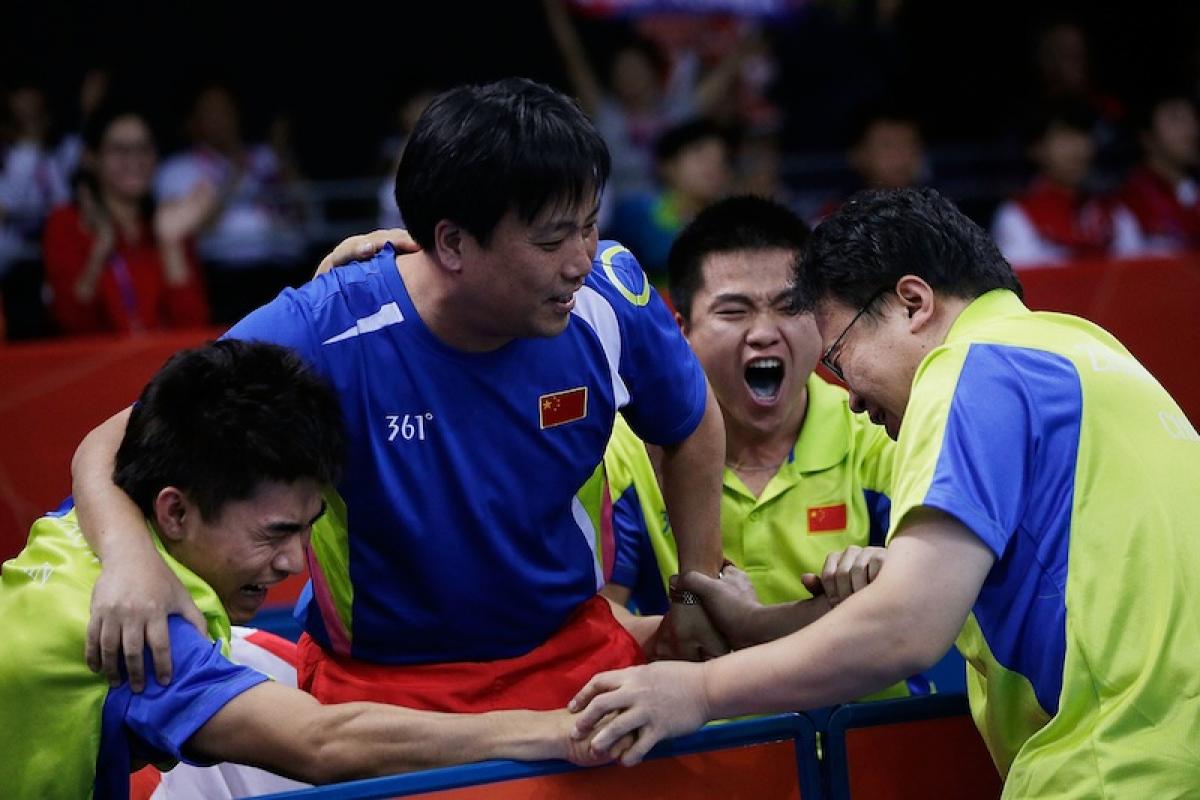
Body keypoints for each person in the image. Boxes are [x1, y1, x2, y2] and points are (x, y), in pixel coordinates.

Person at [71, 78, 726, 712]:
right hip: (382, 689)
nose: (580, 259)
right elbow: (112, 442)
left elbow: (690, 425)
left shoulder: (608, 301)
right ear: (452, 241)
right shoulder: (324, 326)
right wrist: (129, 561)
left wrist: (694, 592)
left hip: (572, 659)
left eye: (588, 225)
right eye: (552, 238)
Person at [569, 187, 1200, 796]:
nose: (857, 400)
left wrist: (699, 692)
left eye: (840, 356)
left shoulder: (965, 372)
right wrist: (761, 622)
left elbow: (905, 629)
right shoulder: (1086, 349)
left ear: (913, 303)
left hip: (1117, 768)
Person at [0, 340, 622, 799]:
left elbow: (102, 448)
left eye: (308, 529)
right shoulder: (144, 636)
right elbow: (321, 744)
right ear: (175, 512)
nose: (296, 561)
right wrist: (554, 731)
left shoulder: (90, 524)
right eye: (275, 533)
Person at [598, 195, 919, 700]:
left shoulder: (879, 433)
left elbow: (920, 607)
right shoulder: (626, 447)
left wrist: (744, 630)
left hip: (866, 750)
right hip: (701, 759)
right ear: (680, 331)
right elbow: (599, 618)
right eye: (734, 311)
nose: (764, 334)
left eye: (791, 307)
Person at [42, 103, 212, 335]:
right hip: (96, 367)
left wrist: (171, 244)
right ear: (91, 158)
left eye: (143, 148)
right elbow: (72, 323)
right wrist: (100, 249)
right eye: (119, 149)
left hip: (163, 366)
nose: (134, 160)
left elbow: (194, 328)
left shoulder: (168, 221)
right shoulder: (67, 222)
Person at [991, 101, 1142, 268]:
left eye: (1083, 135)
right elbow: (1023, 286)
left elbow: (1134, 279)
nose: (1077, 148)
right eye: (1064, 136)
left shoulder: (1117, 214)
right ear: (1036, 148)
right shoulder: (1016, 216)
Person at [1119, 90, 1200, 255]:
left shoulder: (1194, 190)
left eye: (1193, 119)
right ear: (1146, 137)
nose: (1192, 132)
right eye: (1176, 120)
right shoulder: (1129, 201)